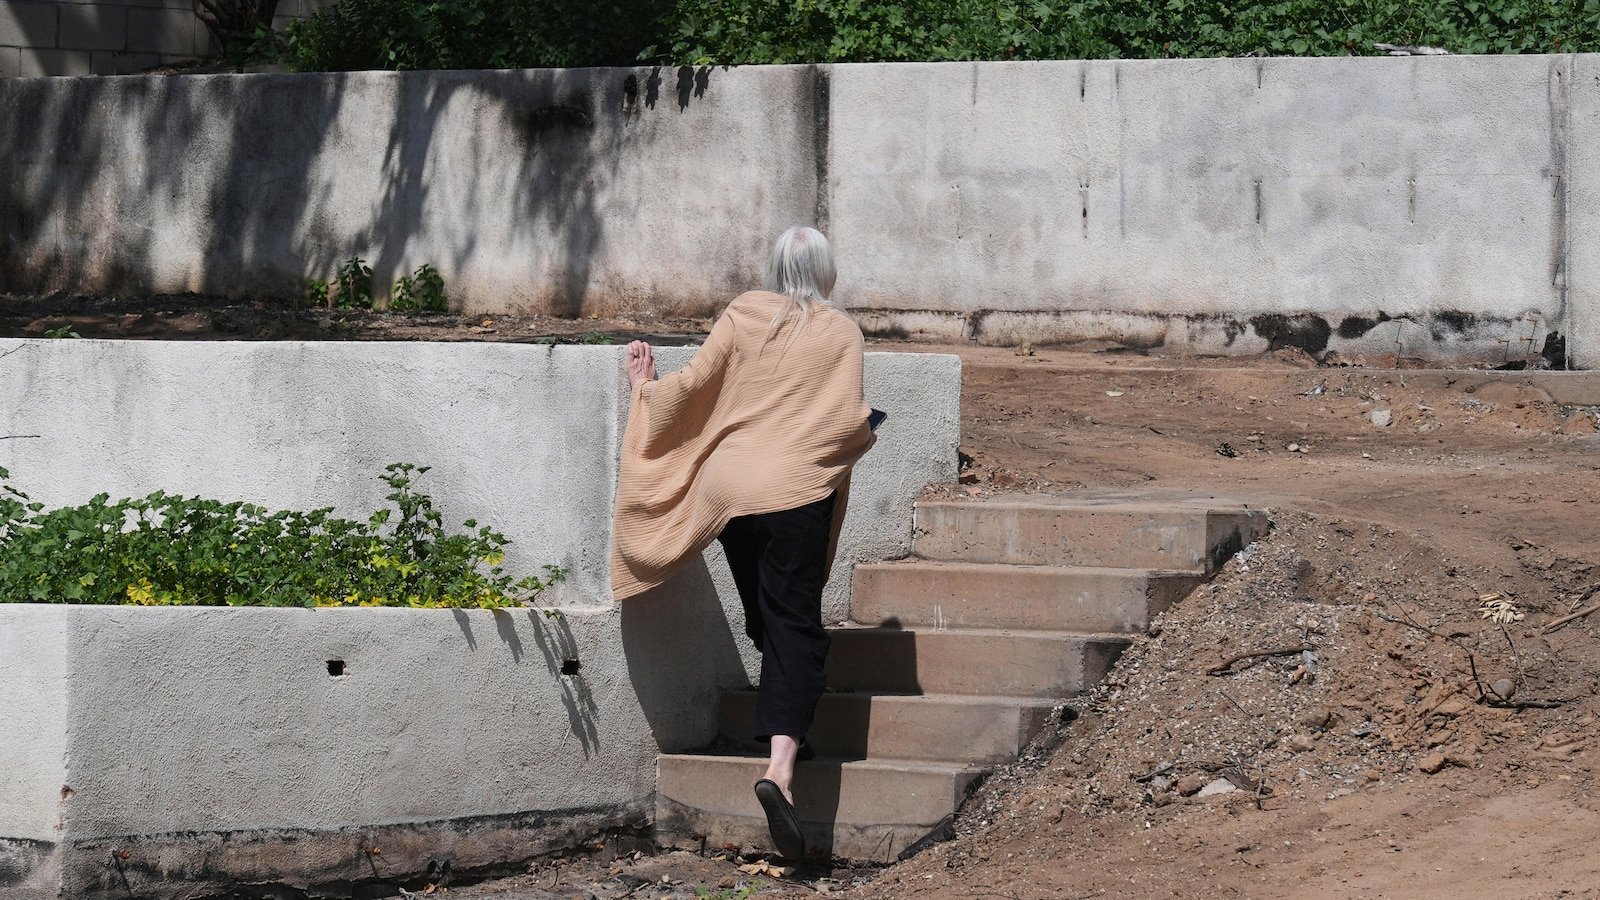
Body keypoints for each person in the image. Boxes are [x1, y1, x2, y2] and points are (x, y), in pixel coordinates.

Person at [610, 225, 875, 861]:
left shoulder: (744, 311)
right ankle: (780, 770)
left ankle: (792, 721)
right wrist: (866, 430)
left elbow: (695, 384)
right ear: (828, 270)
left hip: (728, 490)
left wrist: (644, 389)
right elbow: (844, 419)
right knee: (792, 620)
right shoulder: (842, 332)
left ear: (775, 267)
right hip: (793, 490)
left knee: (763, 610)